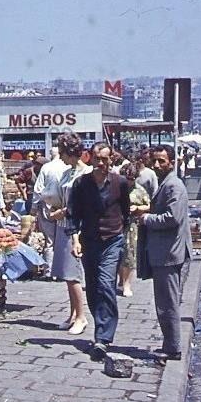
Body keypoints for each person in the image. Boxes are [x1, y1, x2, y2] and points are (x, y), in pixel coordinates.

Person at [67, 142, 131, 361]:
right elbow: (73, 215)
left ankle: (103, 338)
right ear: (90, 159)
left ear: (110, 160)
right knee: (93, 289)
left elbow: (125, 212)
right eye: (96, 159)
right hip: (89, 240)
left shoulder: (120, 183)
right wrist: (75, 240)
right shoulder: (80, 184)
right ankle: (100, 325)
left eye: (104, 159)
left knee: (106, 284)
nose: (100, 163)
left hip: (112, 239)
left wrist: (122, 236)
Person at [136, 144, 191, 365]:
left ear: (171, 161)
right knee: (165, 301)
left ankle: (173, 347)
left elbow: (172, 218)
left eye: (162, 161)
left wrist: (147, 219)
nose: (157, 165)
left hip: (168, 253)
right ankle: (170, 344)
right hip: (165, 251)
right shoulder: (166, 184)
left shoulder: (174, 186)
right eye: (155, 161)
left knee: (167, 303)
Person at [49, 133, 91, 334]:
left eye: (63, 153)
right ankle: (73, 313)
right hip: (63, 226)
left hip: (77, 228)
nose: (61, 157)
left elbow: (82, 204)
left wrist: (64, 211)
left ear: (71, 153)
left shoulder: (86, 174)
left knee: (73, 273)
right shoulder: (67, 173)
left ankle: (82, 317)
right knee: (66, 274)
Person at [32, 145, 69, 277]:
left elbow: (38, 190)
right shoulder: (67, 167)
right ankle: (62, 270)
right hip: (64, 207)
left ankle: (49, 272)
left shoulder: (46, 168)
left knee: (50, 241)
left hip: (47, 207)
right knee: (63, 240)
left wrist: (33, 208)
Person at [117, 163, 150, 298]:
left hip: (132, 226)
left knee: (129, 256)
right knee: (117, 255)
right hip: (116, 224)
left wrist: (137, 208)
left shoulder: (139, 190)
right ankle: (120, 279)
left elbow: (148, 205)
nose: (129, 182)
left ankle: (127, 284)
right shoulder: (116, 188)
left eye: (132, 179)